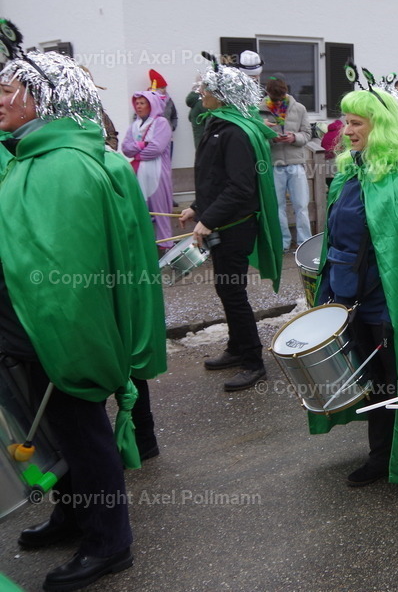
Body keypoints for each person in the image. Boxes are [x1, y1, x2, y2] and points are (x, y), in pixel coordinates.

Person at [0, 45, 165, 591]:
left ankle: (109, 543)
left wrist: (72, 349)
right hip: (28, 331)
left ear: (40, 99)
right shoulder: (34, 156)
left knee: (83, 435)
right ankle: (73, 515)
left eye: (8, 90)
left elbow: (73, 276)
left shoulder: (64, 165)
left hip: (57, 337)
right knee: (57, 435)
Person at [311, 86, 398, 488]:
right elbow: (337, 244)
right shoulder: (352, 176)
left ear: (381, 127)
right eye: (346, 121)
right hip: (351, 305)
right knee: (375, 388)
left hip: (390, 310)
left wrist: (393, 307)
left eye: (356, 122)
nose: (347, 129)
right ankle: (380, 456)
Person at [179, 58, 282, 392]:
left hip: (234, 227)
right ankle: (237, 348)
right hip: (222, 222)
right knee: (226, 288)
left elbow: (241, 187)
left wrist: (209, 219)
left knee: (233, 293)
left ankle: (253, 361)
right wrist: (197, 207)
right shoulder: (217, 123)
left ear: (221, 94)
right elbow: (215, 177)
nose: (200, 92)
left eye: (206, 88)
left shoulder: (236, 131)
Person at [259, 74, 312, 252]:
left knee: (301, 205)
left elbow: (307, 134)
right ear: (267, 93)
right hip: (274, 163)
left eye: (280, 98)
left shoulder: (299, 108)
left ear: (286, 92)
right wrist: (270, 136)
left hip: (296, 163)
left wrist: (293, 137)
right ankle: (283, 243)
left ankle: (304, 242)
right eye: (274, 98)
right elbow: (256, 137)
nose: (278, 100)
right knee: (277, 206)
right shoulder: (258, 110)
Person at [121, 90, 175, 252]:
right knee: (140, 208)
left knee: (161, 210)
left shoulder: (161, 123)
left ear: (152, 105)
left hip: (157, 173)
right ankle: (144, 243)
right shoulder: (134, 125)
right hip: (138, 174)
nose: (138, 106)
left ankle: (165, 244)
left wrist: (136, 153)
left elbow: (156, 148)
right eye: (136, 103)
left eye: (142, 103)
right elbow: (125, 148)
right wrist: (141, 146)